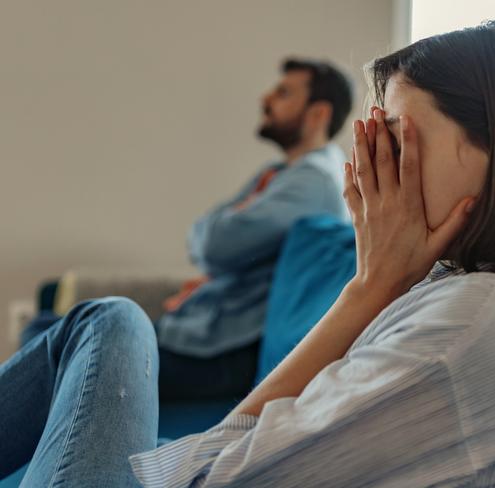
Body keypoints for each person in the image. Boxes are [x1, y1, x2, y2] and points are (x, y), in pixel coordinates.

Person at [1, 21, 495, 487]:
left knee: (109, 320)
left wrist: (368, 289)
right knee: (102, 323)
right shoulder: (486, 290)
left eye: (395, 139)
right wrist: (379, 286)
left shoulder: (463, 333)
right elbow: (206, 239)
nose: (372, 172)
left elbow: (204, 477)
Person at [20, 58, 355, 402]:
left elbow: (212, 244)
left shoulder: (313, 182)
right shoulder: (279, 174)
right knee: (47, 328)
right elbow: (205, 237)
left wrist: (219, 242)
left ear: (318, 114)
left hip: (220, 353)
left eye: (283, 93)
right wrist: (218, 243)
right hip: (202, 336)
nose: (265, 99)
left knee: (46, 336)